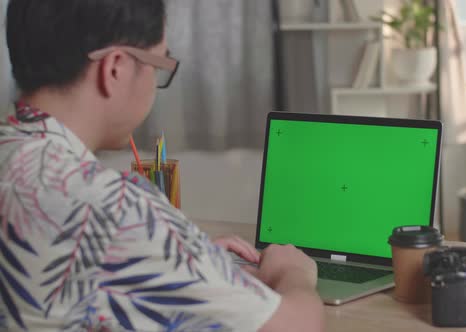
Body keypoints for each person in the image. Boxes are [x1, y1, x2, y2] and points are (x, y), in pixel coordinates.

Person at [0, 1, 324, 331]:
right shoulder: (115, 208)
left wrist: (181, 261)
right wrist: (293, 273)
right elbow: (295, 326)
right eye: (157, 66)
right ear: (116, 68)